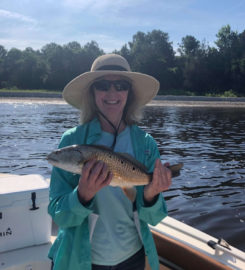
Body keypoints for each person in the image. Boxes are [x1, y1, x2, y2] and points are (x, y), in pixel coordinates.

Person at [48, 54, 172, 270]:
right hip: (81, 260)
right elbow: (58, 213)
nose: (112, 93)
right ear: (92, 93)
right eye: (103, 85)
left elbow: (154, 218)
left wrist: (151, 195)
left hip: (133, 258)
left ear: (129, 93)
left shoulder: (146, 144)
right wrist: (82, 196)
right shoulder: (72, 140)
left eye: (121, 85)